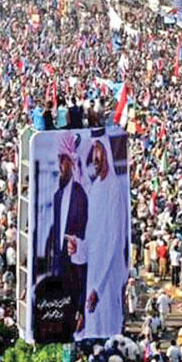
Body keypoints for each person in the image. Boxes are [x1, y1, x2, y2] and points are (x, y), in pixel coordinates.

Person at [73, 139, 128, 340]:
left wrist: (99, 286)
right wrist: (78, 247)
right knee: (93, 328)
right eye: (93, 159)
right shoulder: (95, 188)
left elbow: (114, 242)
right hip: (94, 273)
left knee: (109, 329)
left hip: (109, 275)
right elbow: (92, 237)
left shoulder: (114, 189)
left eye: (99, 158)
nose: (96, 162)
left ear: (107, 158)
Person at [45, 132, 88, 336]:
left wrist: (75, 241)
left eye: (62, 161)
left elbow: (85, 229)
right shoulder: (58, 194)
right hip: (60, 260)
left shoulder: (79, 194)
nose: (60, 166)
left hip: (75, 262)